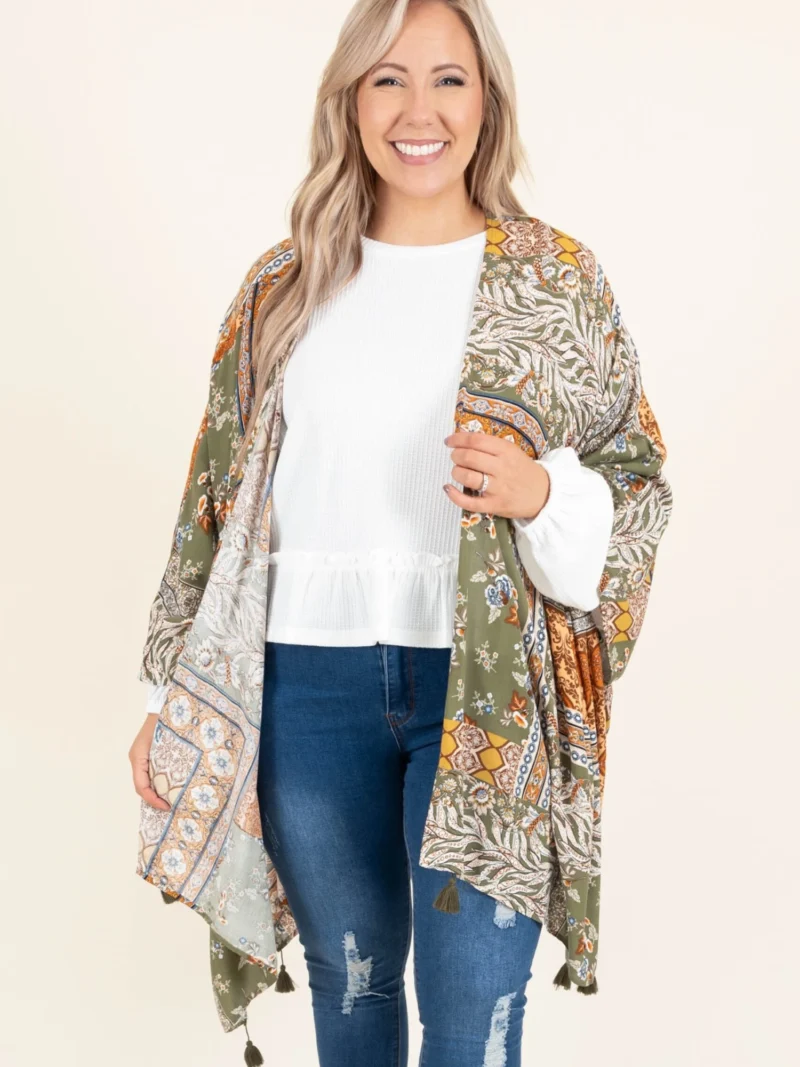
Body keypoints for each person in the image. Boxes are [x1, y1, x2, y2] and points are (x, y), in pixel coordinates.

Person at [129, 2, 673, 1065]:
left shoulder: (555, 281)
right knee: (351, 987)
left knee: (471, 1012)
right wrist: (163, 700)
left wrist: (538, 494)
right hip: (305, 686)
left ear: (487, 101)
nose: (418, 111)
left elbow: (636, 478)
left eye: (447, 80)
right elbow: (211, 502)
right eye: (387, 79)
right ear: (349, 100)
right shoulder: (284, 285)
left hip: (485, 694)